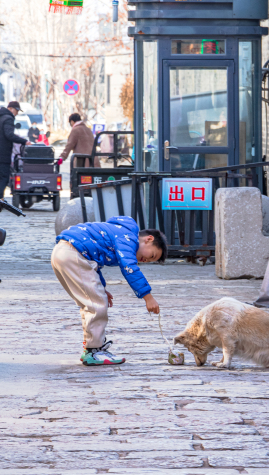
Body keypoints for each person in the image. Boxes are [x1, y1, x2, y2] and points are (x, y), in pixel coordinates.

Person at [51, 216, 168, 365]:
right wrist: (148, 297)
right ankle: (94, 350)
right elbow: (130, 268)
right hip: (73, 254)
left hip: (63, 252)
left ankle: (91, 346)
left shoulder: (119, 232)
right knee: (95, 304)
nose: (145, 261)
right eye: (151, 255)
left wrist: (102, 288)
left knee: (92, 301)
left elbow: (94, 260)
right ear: (149, 239)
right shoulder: (129, 237)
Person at [0, 101, 30, 199]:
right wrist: (24, 141)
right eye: (16, 111)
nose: (17, 113)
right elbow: (9, 135)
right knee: (4, 177)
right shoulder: (8, 119)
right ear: (11, 109)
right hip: (3, 154)